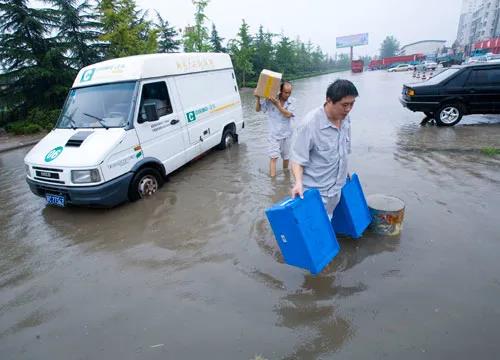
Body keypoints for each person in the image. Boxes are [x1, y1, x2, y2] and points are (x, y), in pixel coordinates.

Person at [290, 79, 359, 218]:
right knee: (316, 230)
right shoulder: (309, 124)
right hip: (316, 194)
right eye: (344, 105)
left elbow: (343, 151)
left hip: (336, 190)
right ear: (329, 100)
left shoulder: (346, 119)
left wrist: (345, 172)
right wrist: (298, 182)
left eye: (352, 104)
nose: (348, 109)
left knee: (329, 220)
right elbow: (297, 159)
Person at [255, 81, 296, 177]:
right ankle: (273, 182)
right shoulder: (270, 99)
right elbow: (258, 109)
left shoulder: (292, 101)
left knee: (286, 158)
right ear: (280, 91)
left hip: (287, 135)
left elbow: (288, 114)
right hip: (274, 136)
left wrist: (277, 104)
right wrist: (258, 98)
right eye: (286, 92)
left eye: (290, 92)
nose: (288, 95)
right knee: (273, 158)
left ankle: (286, 177)